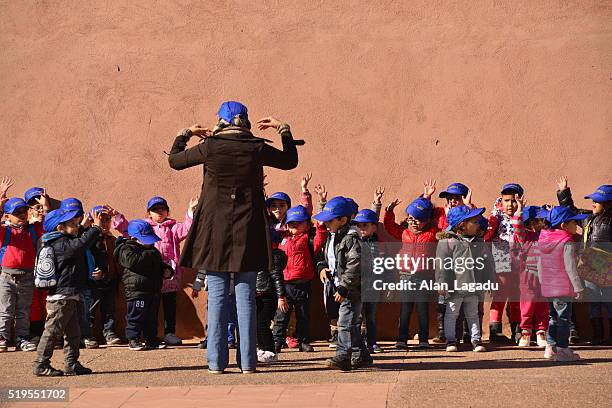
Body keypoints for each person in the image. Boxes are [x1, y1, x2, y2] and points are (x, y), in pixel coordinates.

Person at [168, 101, 298, 374]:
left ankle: (216, 362)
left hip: (214, 231)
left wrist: (186, 133)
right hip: (248, 230)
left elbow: (175, 160)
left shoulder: (210, 147)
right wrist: (282, 128)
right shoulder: (255, 147)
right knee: (246, 297)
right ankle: (248, 362)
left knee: (216, 296)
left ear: (221, 122)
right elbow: (290, 161)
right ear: (245, 121)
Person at [32, 208, 103, 376]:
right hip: (61, 298)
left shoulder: (64, 240)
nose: (77, 225)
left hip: (70, 295)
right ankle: (40, 364)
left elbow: (78, 241)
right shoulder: (60, 244)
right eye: (72, 223)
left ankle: (71, 364)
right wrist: (96, 228)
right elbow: (80, 244)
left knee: (73, 333)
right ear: (59, 228)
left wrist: (83, 228)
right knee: (52, 332)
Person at [316, 197, 372, 371]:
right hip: (340, 285)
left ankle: (343, 355)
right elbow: (328, 258)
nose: (326, 223)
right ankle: (361, 355)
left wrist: (344, 286)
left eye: (330, 220)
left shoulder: (351, 238)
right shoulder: (332, 237)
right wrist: (322, 267)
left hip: (352, 289)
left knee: (345, 322)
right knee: (351, 324)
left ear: (343, 220)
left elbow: (354, 264)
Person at [557, 177, 612, 345]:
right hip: (590, 269)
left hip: (608, 269)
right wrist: (564, 193)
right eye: (593, 201)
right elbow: (571, 211)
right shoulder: (587, 219)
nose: (593, 204)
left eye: (598, 201)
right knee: (594, 301)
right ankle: (597, 336)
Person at [435, 205, 496, 352]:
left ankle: (476, 339)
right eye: (474, 222)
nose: (477, 224)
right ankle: (451, 340)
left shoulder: (479, 242)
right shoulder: (447, 242)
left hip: (473, 286)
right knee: (452, 314)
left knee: (473, 314)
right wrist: (441, 283)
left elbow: (488, 262)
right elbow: (441, 265)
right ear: (462, 225)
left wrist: (490, 280)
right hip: (455, 287)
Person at [384, 197, 438, 350]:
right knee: (405, 309)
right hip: (406, 276)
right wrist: (389, 211)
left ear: (427, 220)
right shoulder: (403, 233)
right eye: (411, 218)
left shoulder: (432, 234)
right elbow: (389, 226)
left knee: (422, 309)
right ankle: (402, 338)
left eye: (419, 219)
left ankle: (423, 339)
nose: (414, 222)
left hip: (424, 277)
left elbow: (444, 224)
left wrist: (427, 199)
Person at [114, 220, 174, 351]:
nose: (150, 243)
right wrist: (151, 254)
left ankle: (151, 338)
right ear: (134, 238)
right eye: (146, 240)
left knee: (151, 317)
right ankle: (133, 339)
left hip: (153, 290)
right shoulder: (125, 249)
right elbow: (131, 261)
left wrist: (166, 270)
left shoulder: (152, 251)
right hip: (136, 291)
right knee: (135, 315)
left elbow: (158, 264)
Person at [538, 206, 587, 361]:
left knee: (553, 318)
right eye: (574, 222)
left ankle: (550, 348)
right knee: (564, 319)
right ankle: (562, 350)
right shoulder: (566, 242)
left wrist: (542, 283)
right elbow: (570, 267)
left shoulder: (543, 239)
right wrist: (578, 287)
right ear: (563, 225)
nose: (577, 225)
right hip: (563, 289)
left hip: (548, 288)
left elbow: (539, 265)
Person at [0, 197, 44, 352]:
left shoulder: (33, 230)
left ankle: (22, 338)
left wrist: (44, 206)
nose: (22, 215)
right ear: (7, 216)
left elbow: (47, 223)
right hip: (7, 277)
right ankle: (2, 338)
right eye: (17, 212)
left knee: (23, 310)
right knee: (5, 310)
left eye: (24, 211)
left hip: (27, 276)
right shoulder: (5, 231)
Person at [484, 184, 523, 343]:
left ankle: (517, 330)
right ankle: (495, 330)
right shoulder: (496, 218)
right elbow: (486, 236)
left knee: (516, 295)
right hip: (501, 260)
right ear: (501, 201)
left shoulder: (523, 217)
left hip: (519, 260)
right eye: (506, 200)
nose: (510, 205)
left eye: (514, 201)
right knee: (500, 294)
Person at [513, 200, 550, 347]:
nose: (543, 222)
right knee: (527, 305)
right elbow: (517, 225)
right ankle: (526, 333)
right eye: (540, 219)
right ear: (531, 222)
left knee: (543, 306)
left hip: (545, 277)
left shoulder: (547, 235)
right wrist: (520, 209)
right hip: (528, 276)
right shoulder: (525, 237)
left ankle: (541, 333)